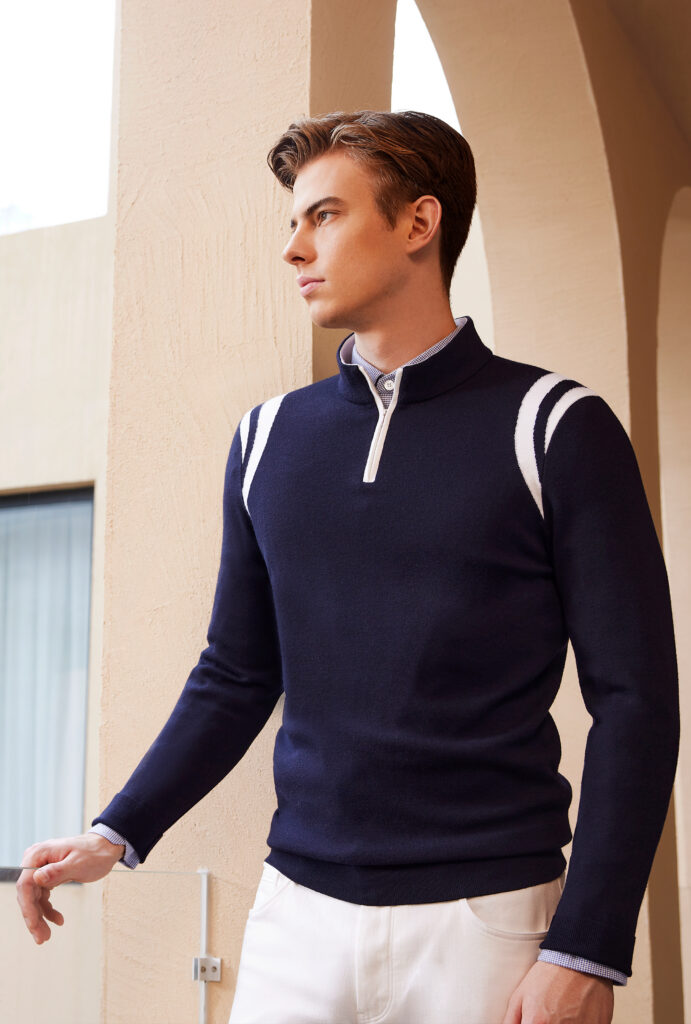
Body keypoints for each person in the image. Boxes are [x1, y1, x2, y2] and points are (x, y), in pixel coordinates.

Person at [17, 110, 679, 1024]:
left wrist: (586, 948)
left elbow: (636, 700)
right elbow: (235, 674)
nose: (294, 248)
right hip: (296, 916)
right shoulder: (267, 439)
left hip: (487, 922)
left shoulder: (554, 426)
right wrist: (116, 830)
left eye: (324, 216)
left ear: (418, 223)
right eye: (293, 222)